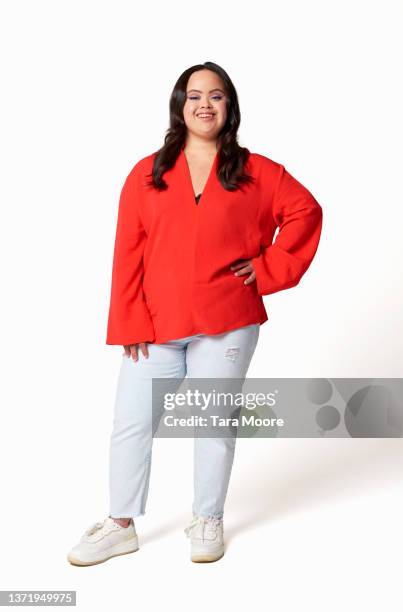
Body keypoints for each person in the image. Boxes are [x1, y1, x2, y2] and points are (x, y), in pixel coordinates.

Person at [67, 61, 323, 566]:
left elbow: (306, 211)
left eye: (216, 95)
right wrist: (128, 322)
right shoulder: (147, 173)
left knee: (213, 421)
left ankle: (207, 519)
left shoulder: (259, 172)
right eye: (194, 95)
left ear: (230, 107)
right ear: (179, 106)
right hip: (157, 323)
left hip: (227, 320)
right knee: (132, 421)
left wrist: (267, 268)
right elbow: (128, 253)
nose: (205, 104)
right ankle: (120, 523)